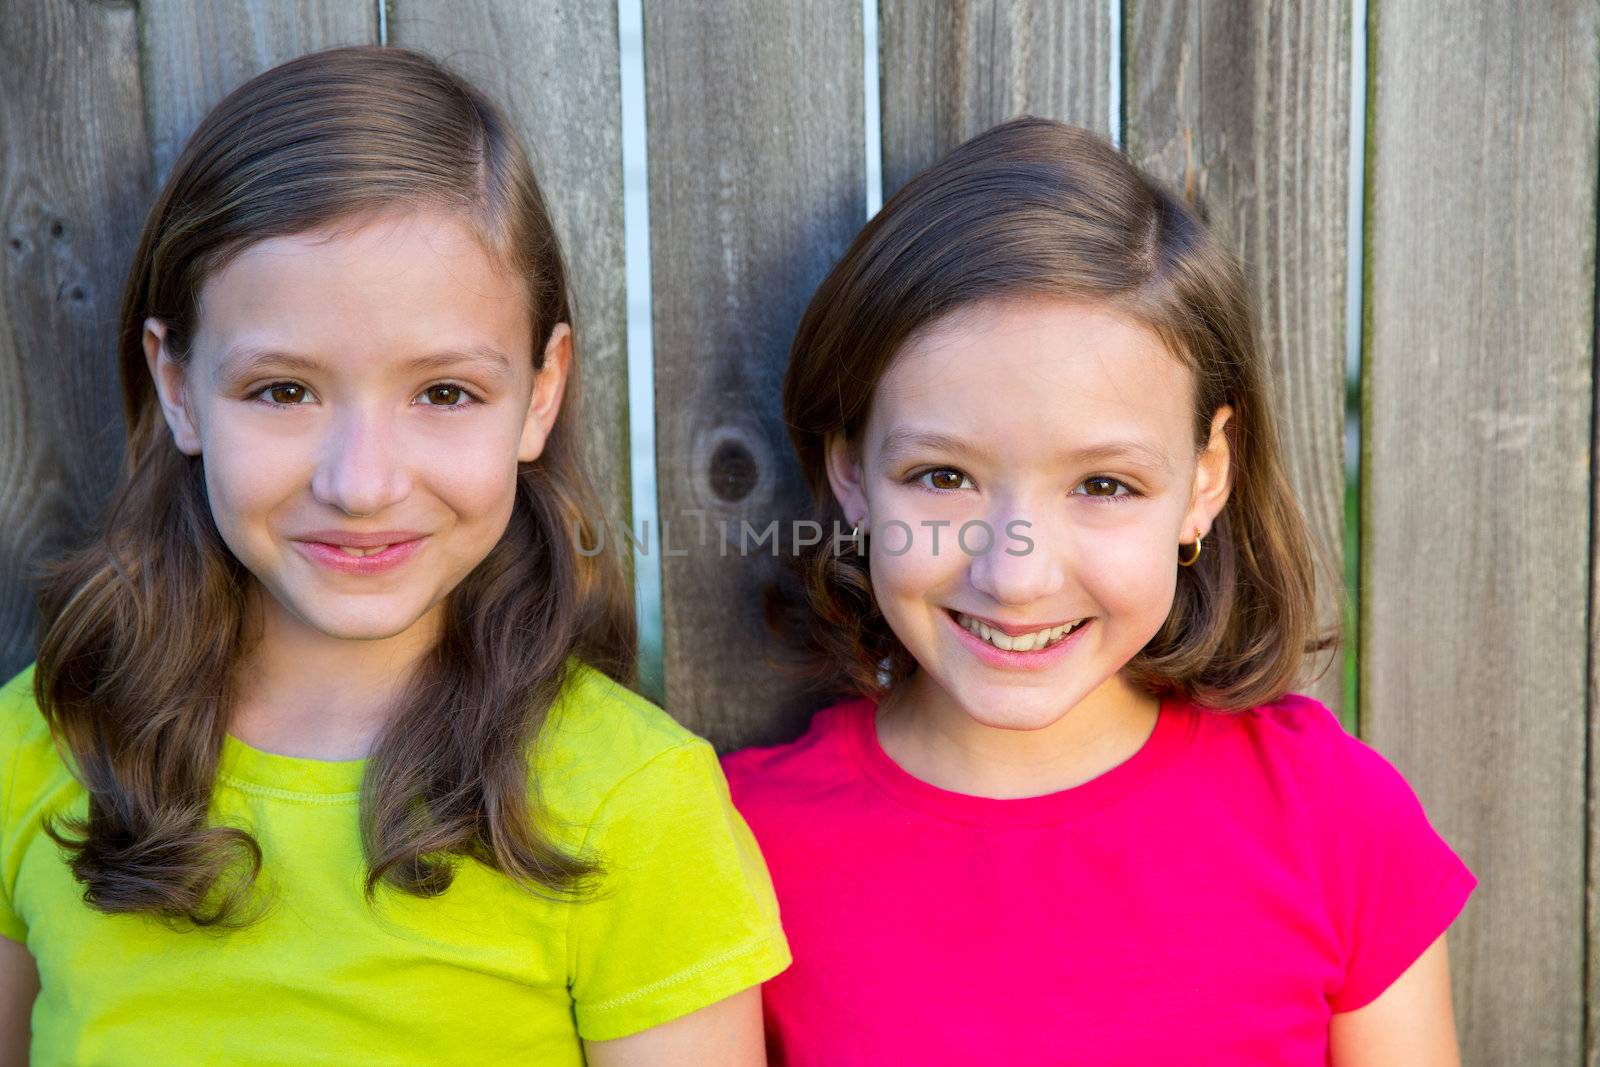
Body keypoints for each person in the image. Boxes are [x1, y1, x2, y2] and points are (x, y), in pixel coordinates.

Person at [0, 46, 787, 1067]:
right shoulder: (39, 750)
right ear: (179, 382)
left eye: (444, 392)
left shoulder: (631, 803)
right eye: (283, 390)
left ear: (539, 393)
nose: (361, 482)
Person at [723, 116, 1475, 1065]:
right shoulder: (740, 850)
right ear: (848, 472)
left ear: (1206, 479)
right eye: (944, 477)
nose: (1017, 573)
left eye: (1103, 485)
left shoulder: (1337, 824)